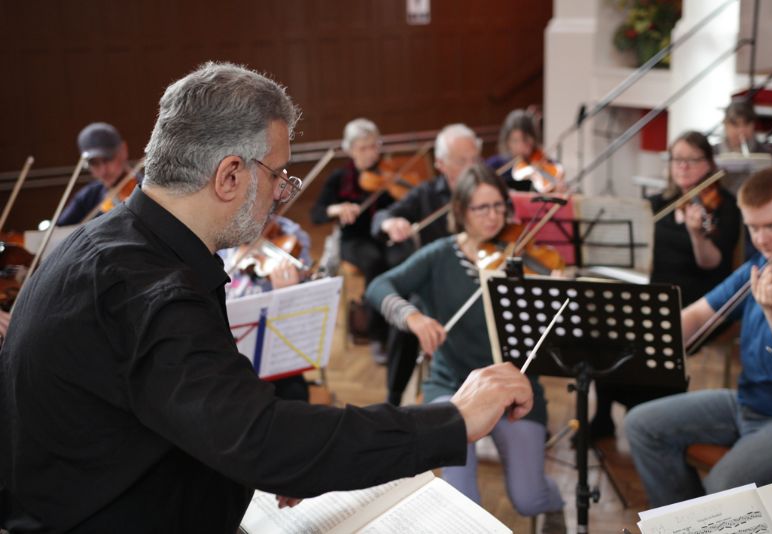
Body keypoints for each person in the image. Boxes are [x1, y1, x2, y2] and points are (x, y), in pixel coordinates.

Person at [0, 62, 535, 533]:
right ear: (230, 174)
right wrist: (455, 419)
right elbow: (261, 436)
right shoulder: (148, 290)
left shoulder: (113, 244)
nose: (282, 192)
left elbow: (191, 419)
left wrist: (264, 462)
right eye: (278, 175)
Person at [365, 163, 566, 530]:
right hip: (451, 386)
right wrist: (414, 317)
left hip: (513, 388)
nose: (493, 217)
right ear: (460, 212)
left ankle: (555, 504)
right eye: (481, 208)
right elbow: (378, 286)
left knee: (527, 498)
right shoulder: (440, 255)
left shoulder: (520, 257)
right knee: (462, 501)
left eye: (499, 207)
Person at [625, 166, 772, 507]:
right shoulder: (762, 267)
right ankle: (686, 524)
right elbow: (697, 315)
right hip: (747, 402)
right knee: (642, 426)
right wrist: (643, 332)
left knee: (722, 486)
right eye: (753, 227)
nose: (761, 240)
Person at [589, 131, 742, 440]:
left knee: (651, 326)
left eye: (691, 160)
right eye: (676, 159)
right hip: (651, 291)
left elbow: (712, 263)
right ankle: (605, 412)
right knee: (605, 320)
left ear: (709, 164)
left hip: (698, 297)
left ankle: (650, 410)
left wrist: (697, 235)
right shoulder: (657, 203)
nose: (682, 167)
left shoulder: (725, 208)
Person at [370, 123, 482, 404]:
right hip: (437, 288)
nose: (471, 168)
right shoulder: (427, 194)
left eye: (474, 159)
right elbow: (381, 216)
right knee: (409, 318)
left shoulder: (488, 191)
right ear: (441, 164)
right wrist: (390, 222)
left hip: (481, 281)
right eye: (461, 161)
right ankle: (394, 398)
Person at [310, 118, 393, 361]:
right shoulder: (339, 178)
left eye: (374, 146)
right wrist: (336, 210)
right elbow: (316, 214)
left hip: (385, 236)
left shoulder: (387, 174)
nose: (371, 153)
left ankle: (399, 324)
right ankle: (378, 334)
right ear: (350, 149)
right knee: (375, 262)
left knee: (403, 257)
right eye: (363, 147)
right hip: (354, 241)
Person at [220, 214, 313, 401]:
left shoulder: (291, 233)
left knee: (294, 394)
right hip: (229, 353)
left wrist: (286, 295)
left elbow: (304, 313)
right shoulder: (218, 237)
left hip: (275, 350)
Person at [57, 122, 138, 226]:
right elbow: (59, 230)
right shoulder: (88, 196)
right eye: (94, 163)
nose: (103, 170)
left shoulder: (146, 189)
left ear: (123, 150)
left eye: (108, 159)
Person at [486, 108, 563, 193]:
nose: (521, 146)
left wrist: (558, 187)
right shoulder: (496, 165)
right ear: (507, 141)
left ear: (534, 139)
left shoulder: (545, 163)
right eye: (515, 141)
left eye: (525, 140)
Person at [713, 99, 772, 196]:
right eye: (735, 125)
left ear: (753, 125)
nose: (741, 130)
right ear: (725, 125)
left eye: (747, 124)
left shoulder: (768, 153)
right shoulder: (713, 152)